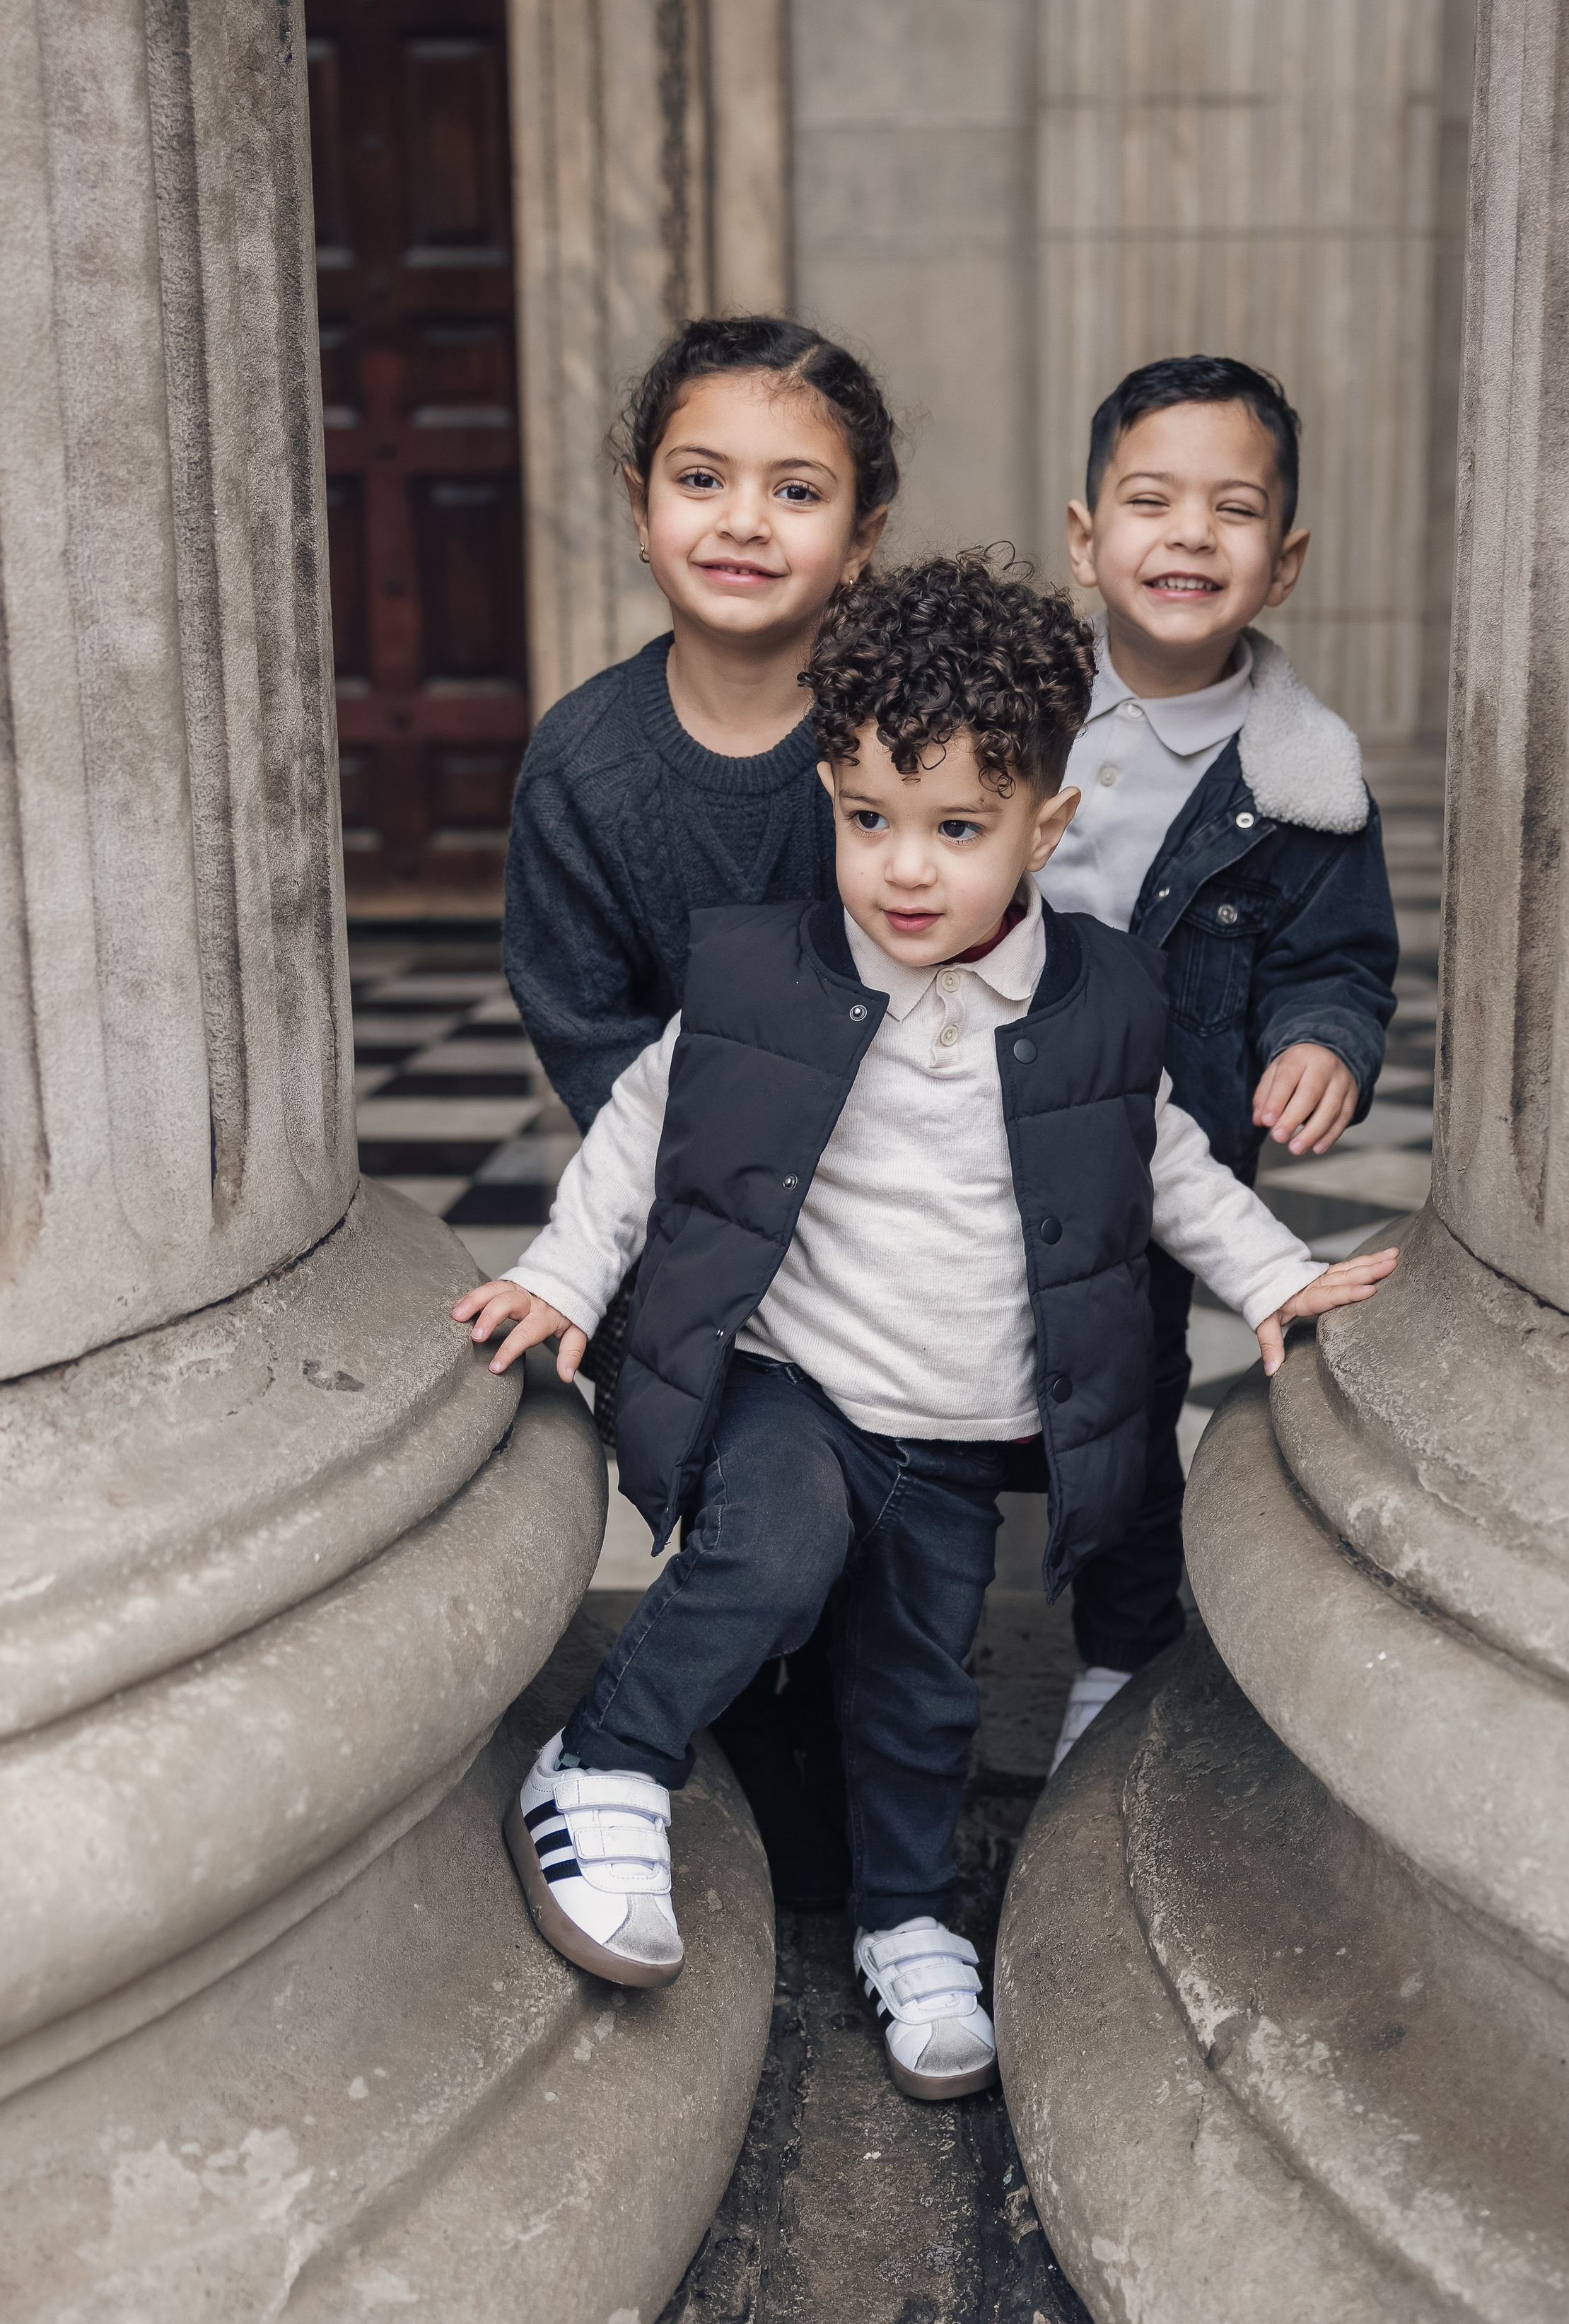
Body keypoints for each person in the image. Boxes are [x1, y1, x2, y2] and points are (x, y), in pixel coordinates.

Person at [453, 555, 1397, 2103]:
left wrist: (1276, 1278)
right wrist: (561, 1277)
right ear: (828, 792)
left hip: (958, 1432)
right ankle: (610, 1761)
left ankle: (907, 1920)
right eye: (866, 817)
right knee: (764, 1554)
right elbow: (640, 1126)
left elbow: (1159, 1159)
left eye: (957, 828)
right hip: (797, 1388)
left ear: (1046, 826)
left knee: (918, 1688)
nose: (903, 868)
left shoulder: (1097, 995)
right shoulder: (767, 969)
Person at [502, 315, 898, 1895]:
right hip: (698, 1252)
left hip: (904, 1232)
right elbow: (591, 1032)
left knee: (894, 1559)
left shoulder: (899, 743)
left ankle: (844, 1752)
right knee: (780, 1514)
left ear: (861, 534)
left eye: (795, 489)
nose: (742, 518)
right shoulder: (586, 767)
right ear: (635, 495)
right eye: (700, 476)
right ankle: (643, 1741)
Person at [1041, 356, 1399, 1770]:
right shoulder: (1011, 716)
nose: (1188, 533)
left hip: (1158, 1171)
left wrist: (1323, 1039)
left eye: (1231, 509)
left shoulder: (1302, 782)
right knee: (932, 1389)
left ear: (1282, 560)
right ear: (1086, 539)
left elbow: (1336, 957)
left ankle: (1118, 1651)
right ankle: (898, 1631)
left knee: (1124, 1407)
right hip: (960, 1135)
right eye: (1149, 499)